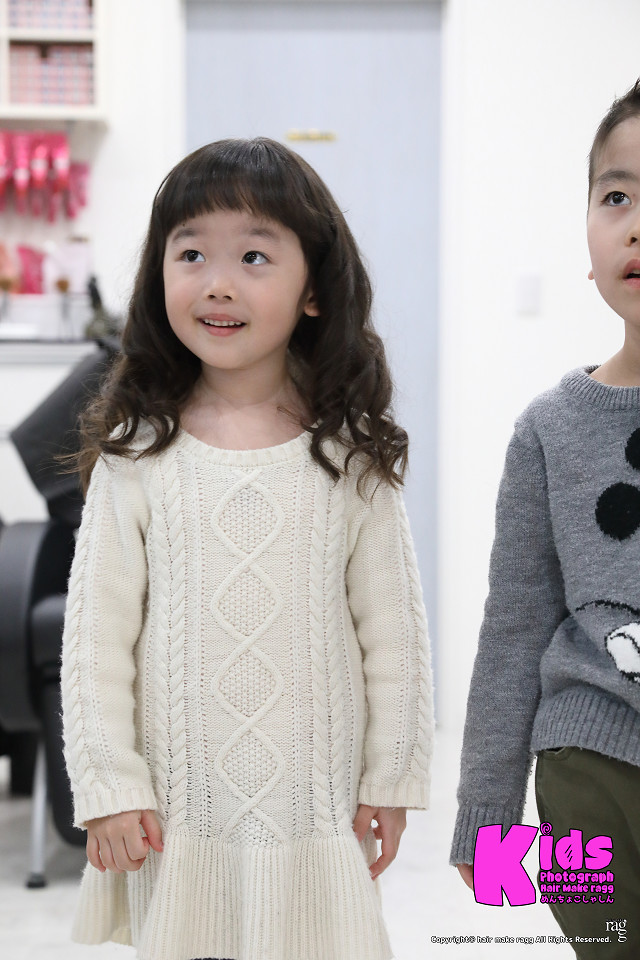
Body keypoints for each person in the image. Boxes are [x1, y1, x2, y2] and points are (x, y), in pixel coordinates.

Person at [60, 137, 434, 960]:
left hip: (313, 812)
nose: (218, 283)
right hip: (177, 816)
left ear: (314, 290)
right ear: (159, 276)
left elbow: (394, 634)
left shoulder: (350, 453)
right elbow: (95, 639)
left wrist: (391, 775)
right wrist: (108, 782)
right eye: (191, 253)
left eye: (254, 256)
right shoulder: (138, 452)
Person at [450, 80, 640, 957]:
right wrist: (487, 814)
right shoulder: (551, 429)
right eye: (616, 196)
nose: (634, 224)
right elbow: (514, 625)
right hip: (581, 774)